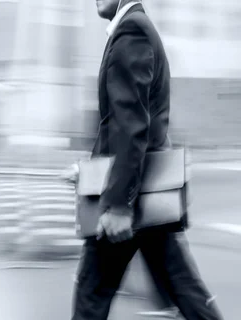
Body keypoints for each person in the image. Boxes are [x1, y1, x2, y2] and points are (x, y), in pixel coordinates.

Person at [70, 0, 223, 319]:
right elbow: (124, 125)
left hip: (131, 195)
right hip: (146, 190)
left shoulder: (132, 31)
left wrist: (118, 205)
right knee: (186, 292)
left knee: (91, 296)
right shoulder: (135, 29)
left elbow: (131, 125)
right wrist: (88, 174)